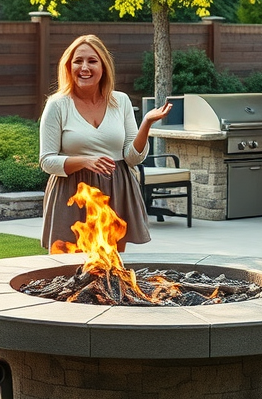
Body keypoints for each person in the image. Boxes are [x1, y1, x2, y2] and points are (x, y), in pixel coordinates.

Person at [39, 34, 172, 252]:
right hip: (72, 192)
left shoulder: (121, 101)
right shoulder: (57, 105)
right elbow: (46, 161)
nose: (84, 67)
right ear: (68, 66)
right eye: (78, 61)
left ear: (103, 66)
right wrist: (84, 161)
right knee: (67, 267)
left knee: (110, 268)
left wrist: (146, 123)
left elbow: (132, 157)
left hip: (116, 188)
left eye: (92, 61)